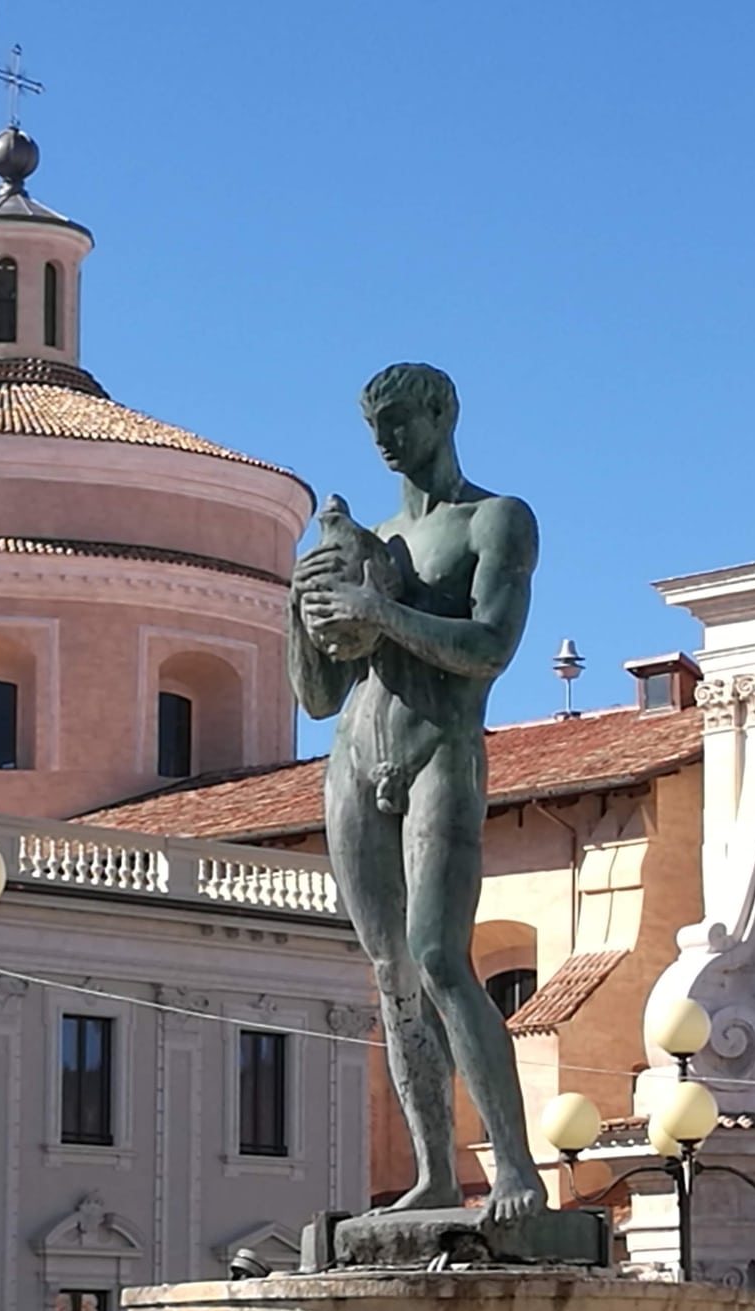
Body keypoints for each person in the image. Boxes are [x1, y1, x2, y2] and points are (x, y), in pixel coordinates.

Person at [288, 363, 546, 1223]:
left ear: (443, 414)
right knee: (391, 974)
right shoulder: (374, 541)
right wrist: (302, 609)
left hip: (441, 747)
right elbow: (319, 696)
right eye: (375, 428)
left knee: (439, 957)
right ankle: (435, 1174)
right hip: (354, 757)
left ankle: (515, 1168)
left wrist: (382, 612)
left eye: (400, 420)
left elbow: (489, 647)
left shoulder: (495, 520)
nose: (386, 440)